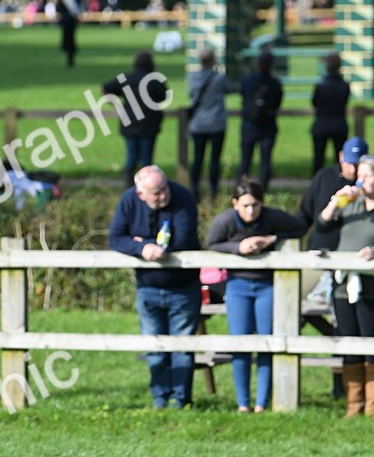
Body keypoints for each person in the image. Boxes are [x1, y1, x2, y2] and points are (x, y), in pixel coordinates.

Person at [206, 180, 308, 413]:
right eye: (245, 206)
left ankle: (262, 402)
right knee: (240, 342)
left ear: (262, 203)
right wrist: (238, 248)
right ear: (235, 204)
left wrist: (270, 239)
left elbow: (300, 227)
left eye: (255, 205)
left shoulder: (272, 217)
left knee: (266, 342)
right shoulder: (225, 221)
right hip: (237, 285)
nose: (251, 211)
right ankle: (243, 403)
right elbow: (212, 244)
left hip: (267, 285)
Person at [109, 165, 201, 409]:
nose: (163, 195)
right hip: (147, 288)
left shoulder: (182, 197)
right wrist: (142, 248)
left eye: (165, 189)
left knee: (182, 347)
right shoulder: (129, 201)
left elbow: (183, 239)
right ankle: (160, 399)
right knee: (154, 347)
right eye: (156, 193)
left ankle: (180, 400)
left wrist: (143, 243)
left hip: (184, 287)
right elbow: (115, 239)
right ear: (141, 194)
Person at [314, 155, 374, 416]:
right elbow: (321, 225)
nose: (363, 180)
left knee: (370, 344)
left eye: (368, 175)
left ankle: (371, 406)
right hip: (343, 285)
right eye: (361, 175)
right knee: (349, 342)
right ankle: (353, 405)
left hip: (370, 286)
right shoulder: (351, 204)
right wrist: (335, 202)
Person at [300, 136, 367, 304]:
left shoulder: (368, 186)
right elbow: (305, 215)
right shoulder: (324, 177)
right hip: (320, 257)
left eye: (357, 164)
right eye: (349, 163)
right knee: (297, 299)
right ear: (341, 156)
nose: (353, 169)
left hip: (355, 262)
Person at [102, 52, 169, 185]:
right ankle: (148, 188)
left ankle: (129, 188)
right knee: (147, 160)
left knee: (131, 158)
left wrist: (116, 104)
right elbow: (164, 96)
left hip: (130, 123)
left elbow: (106, 88)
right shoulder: (155, 80)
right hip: (149, 124)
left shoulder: (126, 78)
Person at [187, 47, 232, 199]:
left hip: (198, 124)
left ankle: (194, 188)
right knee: (214, 159)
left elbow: (191, 95)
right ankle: (213, 189)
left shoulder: (193, 77)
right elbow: (229, 89)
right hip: (216, 123)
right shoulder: (219, 78)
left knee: (197, 159)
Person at [238, 50, 284, 186]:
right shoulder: (275, 83)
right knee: (265, 160)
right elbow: (277, 103)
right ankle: (262, 188)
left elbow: (243, 96)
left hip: (249, 124)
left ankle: (241, 187)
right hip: (268, 125)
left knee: (246, 159)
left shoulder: (247, 80)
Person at [310, 53, 350, 175]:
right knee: (339, 160)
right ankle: (339, 181)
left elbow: (315, 102)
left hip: (322, 124)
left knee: (318, 159)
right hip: (339, 124)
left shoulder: (321, 86)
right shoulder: (344, 86)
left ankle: (317, 181)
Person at [56, 0, 80, 67]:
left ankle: (70, 60)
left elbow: (72, 7)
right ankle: (70, 60)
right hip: (69, 20)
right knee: (69, 39)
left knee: (69, 40)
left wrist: (76, 16)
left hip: (68, 20)